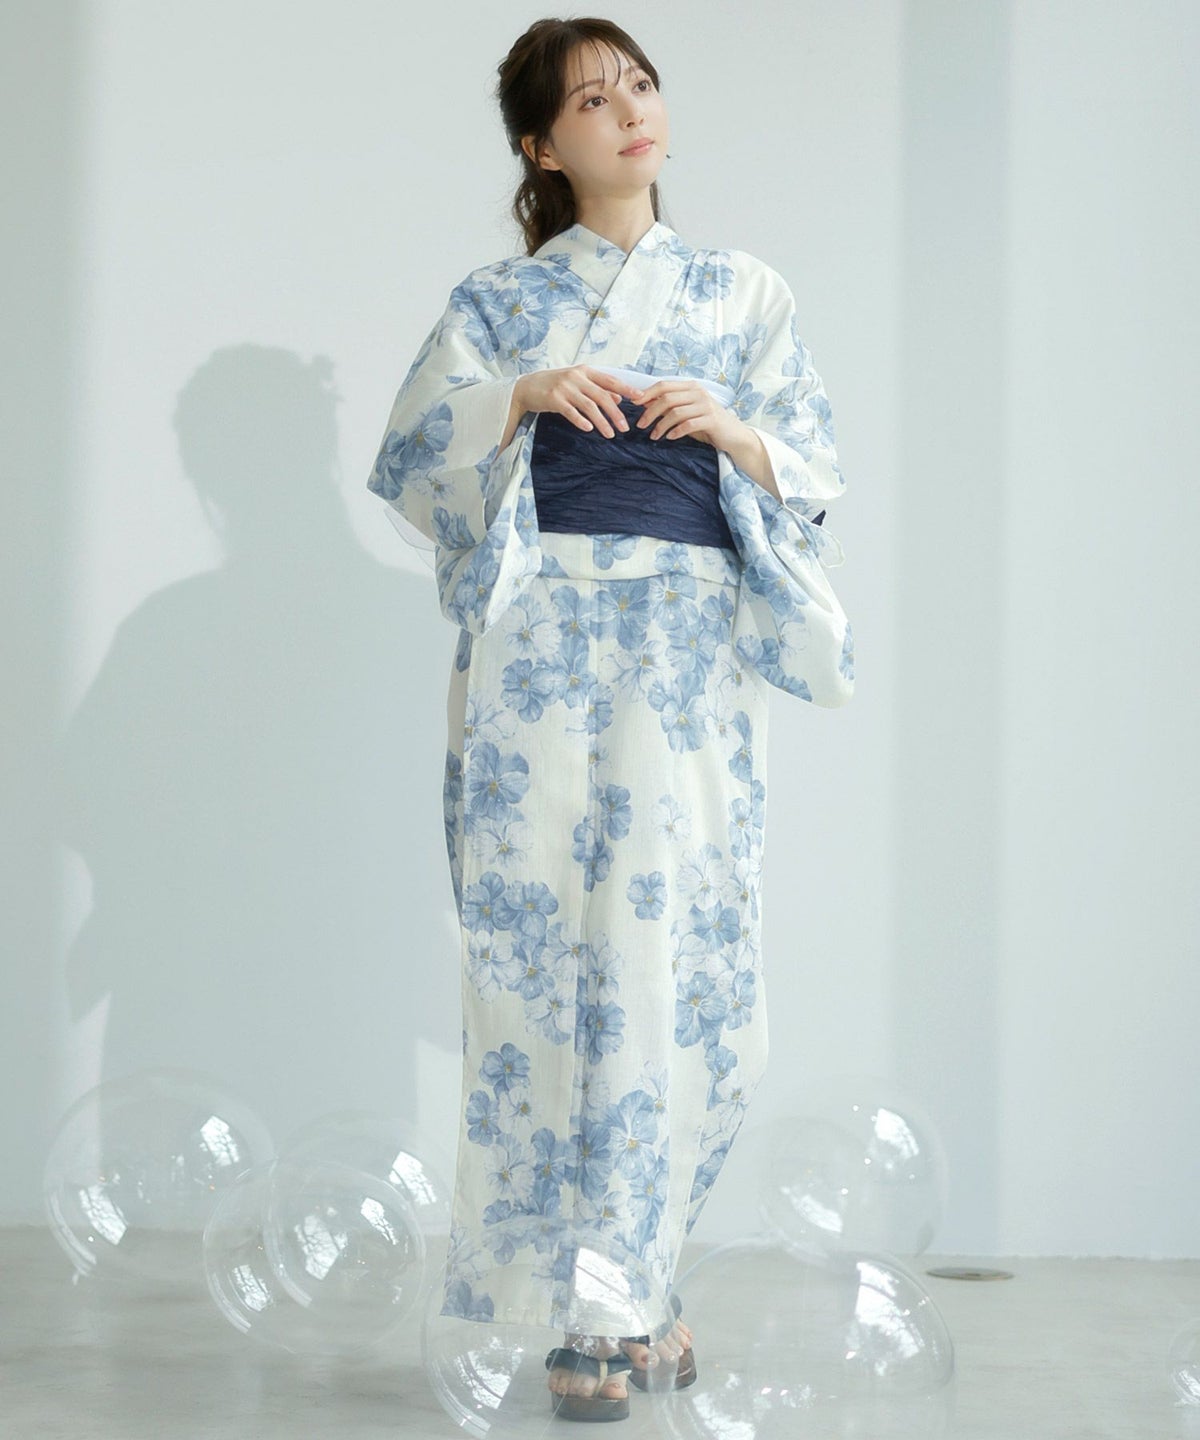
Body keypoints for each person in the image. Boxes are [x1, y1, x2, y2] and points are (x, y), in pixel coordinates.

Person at [367, 16, 855, 1422]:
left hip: (681, 654)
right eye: (593, 99)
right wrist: (521, 394)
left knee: (677, 964)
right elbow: (412, 457)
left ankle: (642, 1283)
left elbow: (813, 470)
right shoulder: (497, 304)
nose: (632, 110)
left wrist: (733, 433)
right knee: (539, 965)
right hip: (539, 648)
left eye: (639, 84)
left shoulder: (743, 293)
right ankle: (596, 1308)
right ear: (542, 146)